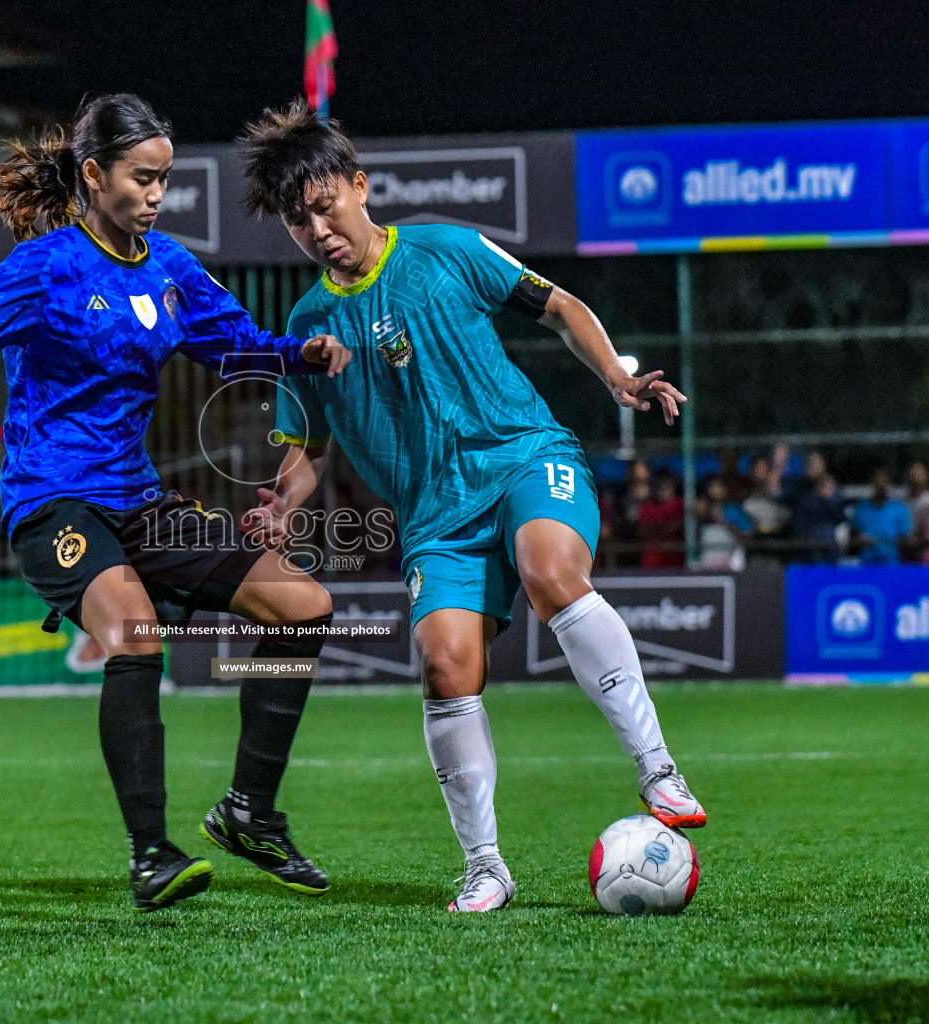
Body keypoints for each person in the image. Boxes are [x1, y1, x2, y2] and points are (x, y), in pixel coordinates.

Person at [238, 100, 704, 914]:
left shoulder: (443, 249)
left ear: (359, 185)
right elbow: (304, 451)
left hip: (524, 455)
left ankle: (659, 772)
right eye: (297, 219)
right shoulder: (308, 325)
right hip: (436, 517)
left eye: (325, 205)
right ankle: (485, 864)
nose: (317, 229)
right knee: (446, 664)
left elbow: (558, 304)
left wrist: (617, 378)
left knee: (549, 568)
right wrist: (282, 501)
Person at [0, 94, 352, 912]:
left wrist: (300, 352)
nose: (156, 194)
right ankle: (151, 853)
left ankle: (250, 812)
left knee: (305, 606)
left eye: (164, 180)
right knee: (136, 636)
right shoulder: (48, 268)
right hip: (54, 503)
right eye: (142, 179)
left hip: (139, 502)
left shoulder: (169, 266)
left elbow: (233, 345)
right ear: (92, 174)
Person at [787, 453, 845, 564]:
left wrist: (828, 498)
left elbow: (839, 517)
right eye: (808, 465)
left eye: (814, 465)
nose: (811, 468)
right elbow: (798, 513)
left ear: (823, 466)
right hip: (803, 543)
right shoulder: (800, 488)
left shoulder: (834, 490)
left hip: (826, 543)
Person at [849, 468, 911, 565]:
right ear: (872, 483)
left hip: (891, 564)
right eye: (878, 481)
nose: (881, 485)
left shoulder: (899, 508)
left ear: (889, 484)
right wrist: (859, 540)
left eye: (884, 481)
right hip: (867, 563)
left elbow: (905, 538)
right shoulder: (861, 508)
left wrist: (880, 541)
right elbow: (852, 536)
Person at [636, 470, 685, 568]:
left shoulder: (679, 505)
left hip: (676, 562)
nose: (666, 491)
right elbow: (644, 530)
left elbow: (680, 526)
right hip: (652, 562)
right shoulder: (647, 507)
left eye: (669, 487)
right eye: (662, 487)